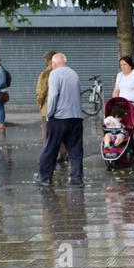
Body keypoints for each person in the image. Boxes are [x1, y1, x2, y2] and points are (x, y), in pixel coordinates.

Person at [36, 53, 84, 188]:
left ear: (54, 64)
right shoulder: (74, 74)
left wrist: (49, 114)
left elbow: (53, 95)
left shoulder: (55, 74)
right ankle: (77, 179)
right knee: (75, 150)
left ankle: (45, 178)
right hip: (75, 117)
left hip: (59, 118)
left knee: (50, 148)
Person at [36, 51, 68, 163]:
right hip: (63, 108)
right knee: (61, 131)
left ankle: (48, 155)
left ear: (49, 60)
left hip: (48, 107)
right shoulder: (66, 72)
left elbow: (41, 92)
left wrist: (40, 104)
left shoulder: (46, 74)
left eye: (45, 60)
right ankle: (64, 153)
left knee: (47, 133)